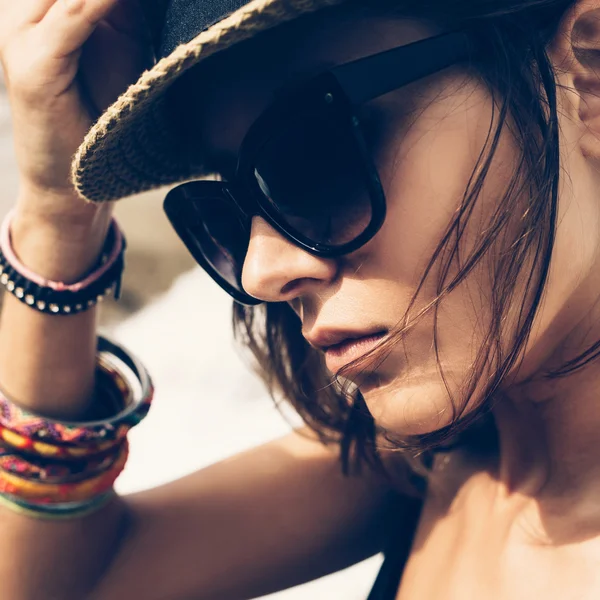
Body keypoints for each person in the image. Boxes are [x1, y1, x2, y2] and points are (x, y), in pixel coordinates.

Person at [0, 0, 599, 597]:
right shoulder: (431, 459)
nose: (262, 273)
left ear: (587, 71)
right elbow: (68, 583)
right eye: (233, 206)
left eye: (318, 154)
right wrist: (58, 211)